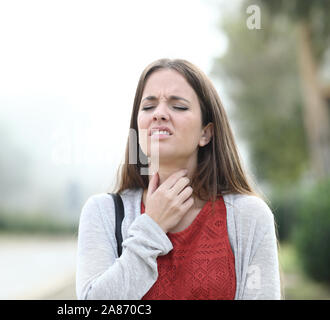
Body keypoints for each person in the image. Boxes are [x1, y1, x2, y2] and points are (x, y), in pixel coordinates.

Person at [76, 58, 282, 300]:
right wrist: (151, 228)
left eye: (179, 107)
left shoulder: (249, 216)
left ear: (205, 133)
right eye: (148, 106)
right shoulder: (102, 213)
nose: (159, 114)